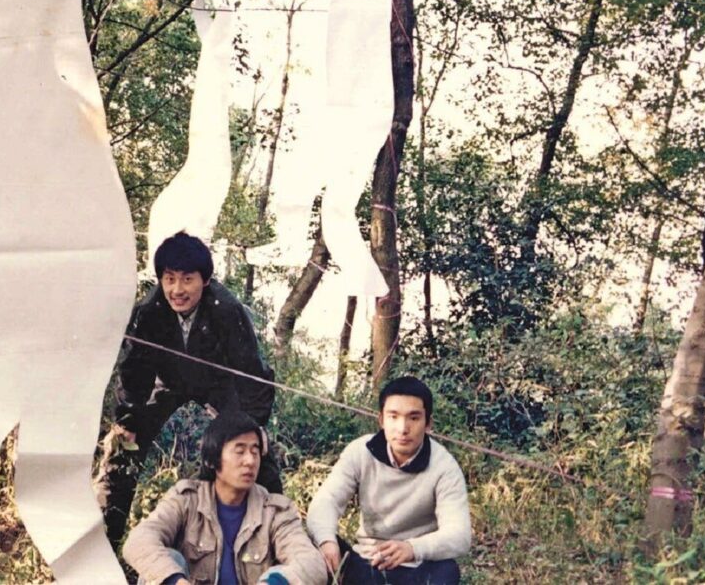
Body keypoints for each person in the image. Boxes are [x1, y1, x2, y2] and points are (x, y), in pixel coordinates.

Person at [96, 232, 280, 546]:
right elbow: (135, 369)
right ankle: (102, 543)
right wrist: (126, 419)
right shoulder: (150, 310)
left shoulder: (226, 309)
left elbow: (252, 374)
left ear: (205, 280)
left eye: (187, 279)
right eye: (169, 279)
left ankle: (276, 533)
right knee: (121, 445)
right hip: (166, 382)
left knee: (252, 449)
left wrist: (254, 425)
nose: (177, 290)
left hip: (217, 386)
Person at [124, 411, 326, 585]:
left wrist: (275, 582)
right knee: (169, 560)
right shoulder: (186, 500)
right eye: (240, 451)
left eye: (255, 452)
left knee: (278, 575)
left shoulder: (274, 511)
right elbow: (139, 541)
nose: (250, 461)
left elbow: (311, 562)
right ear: (212, 460)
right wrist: (175, 580)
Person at [307, 377, 471, 585]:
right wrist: (327, 541)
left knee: (447, 571)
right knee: (312, 546)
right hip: (366, 561)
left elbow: (459, 534)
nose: (403, 428)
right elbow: (326, 500)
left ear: (428, 423)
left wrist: (412, 548)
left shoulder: (443, 466)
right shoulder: (360, 452)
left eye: (414, 418)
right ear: (381, 420)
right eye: (393, 417)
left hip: (417, 564)